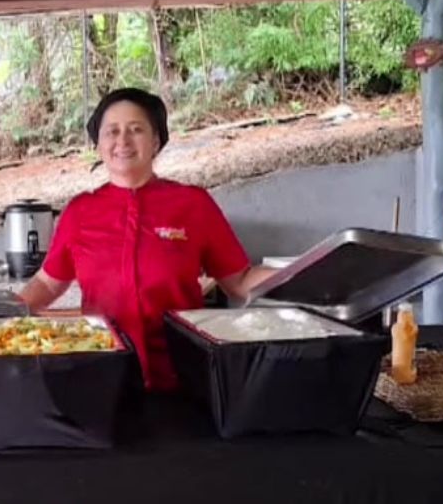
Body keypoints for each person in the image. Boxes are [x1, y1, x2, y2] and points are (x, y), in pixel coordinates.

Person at [19, 88, 274, 391]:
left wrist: (312, 273)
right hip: (102, 377)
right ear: (99, 145)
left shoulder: (193, 204)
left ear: (155, 141)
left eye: (136, 129)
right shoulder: (79, 212)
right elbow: (48, 283)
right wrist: (1, 312)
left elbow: (240, 280)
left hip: (185, 377)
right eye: (111, 131)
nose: (122, 141)